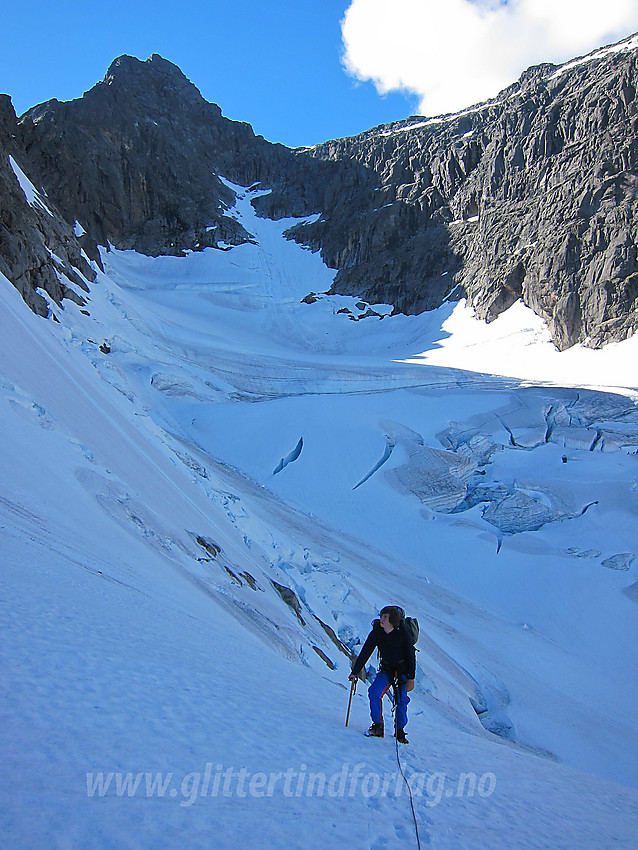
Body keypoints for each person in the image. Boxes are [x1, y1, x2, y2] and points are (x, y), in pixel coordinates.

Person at [349, 606, 416, 743]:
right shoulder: (377, 633)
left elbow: (410, 656)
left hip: (402, 672)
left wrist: (411, 678)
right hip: (387, 670)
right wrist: (355, 672)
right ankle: (378, 726)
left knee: (401, 700)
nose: (382, 619)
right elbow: (366, 651)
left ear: (393, 619)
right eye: (382, 616)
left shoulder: (403, 634)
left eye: (385, 617)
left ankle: (400, 730)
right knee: (374, 692)